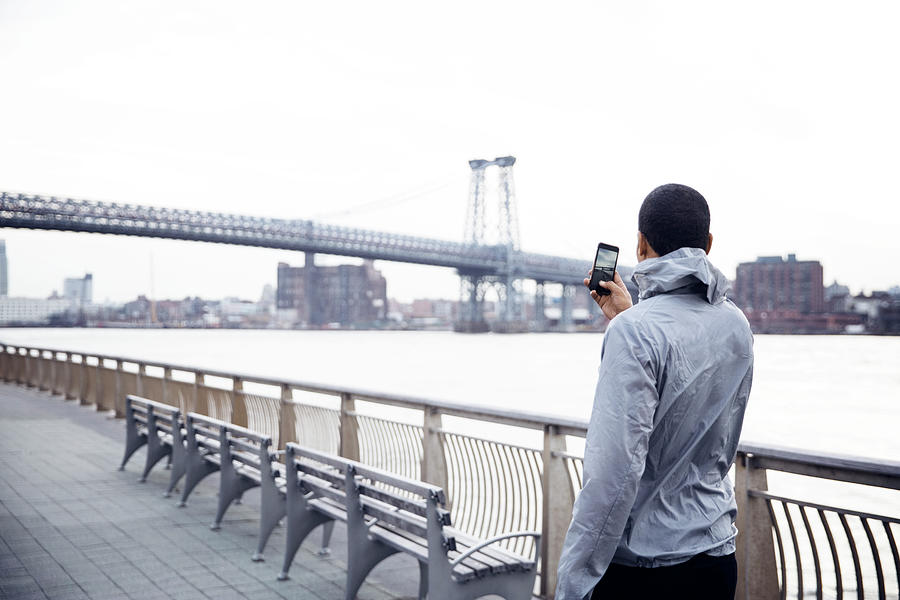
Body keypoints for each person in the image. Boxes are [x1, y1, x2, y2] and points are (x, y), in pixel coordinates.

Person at [555, 183, 753, 600]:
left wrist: (573, 582)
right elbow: (708, 435)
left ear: (640, 244)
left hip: (646, 572)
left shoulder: (635, 333)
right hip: (717, 558)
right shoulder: (737, 324)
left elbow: (613, 474)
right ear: (709, 244)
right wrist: (628, 316)